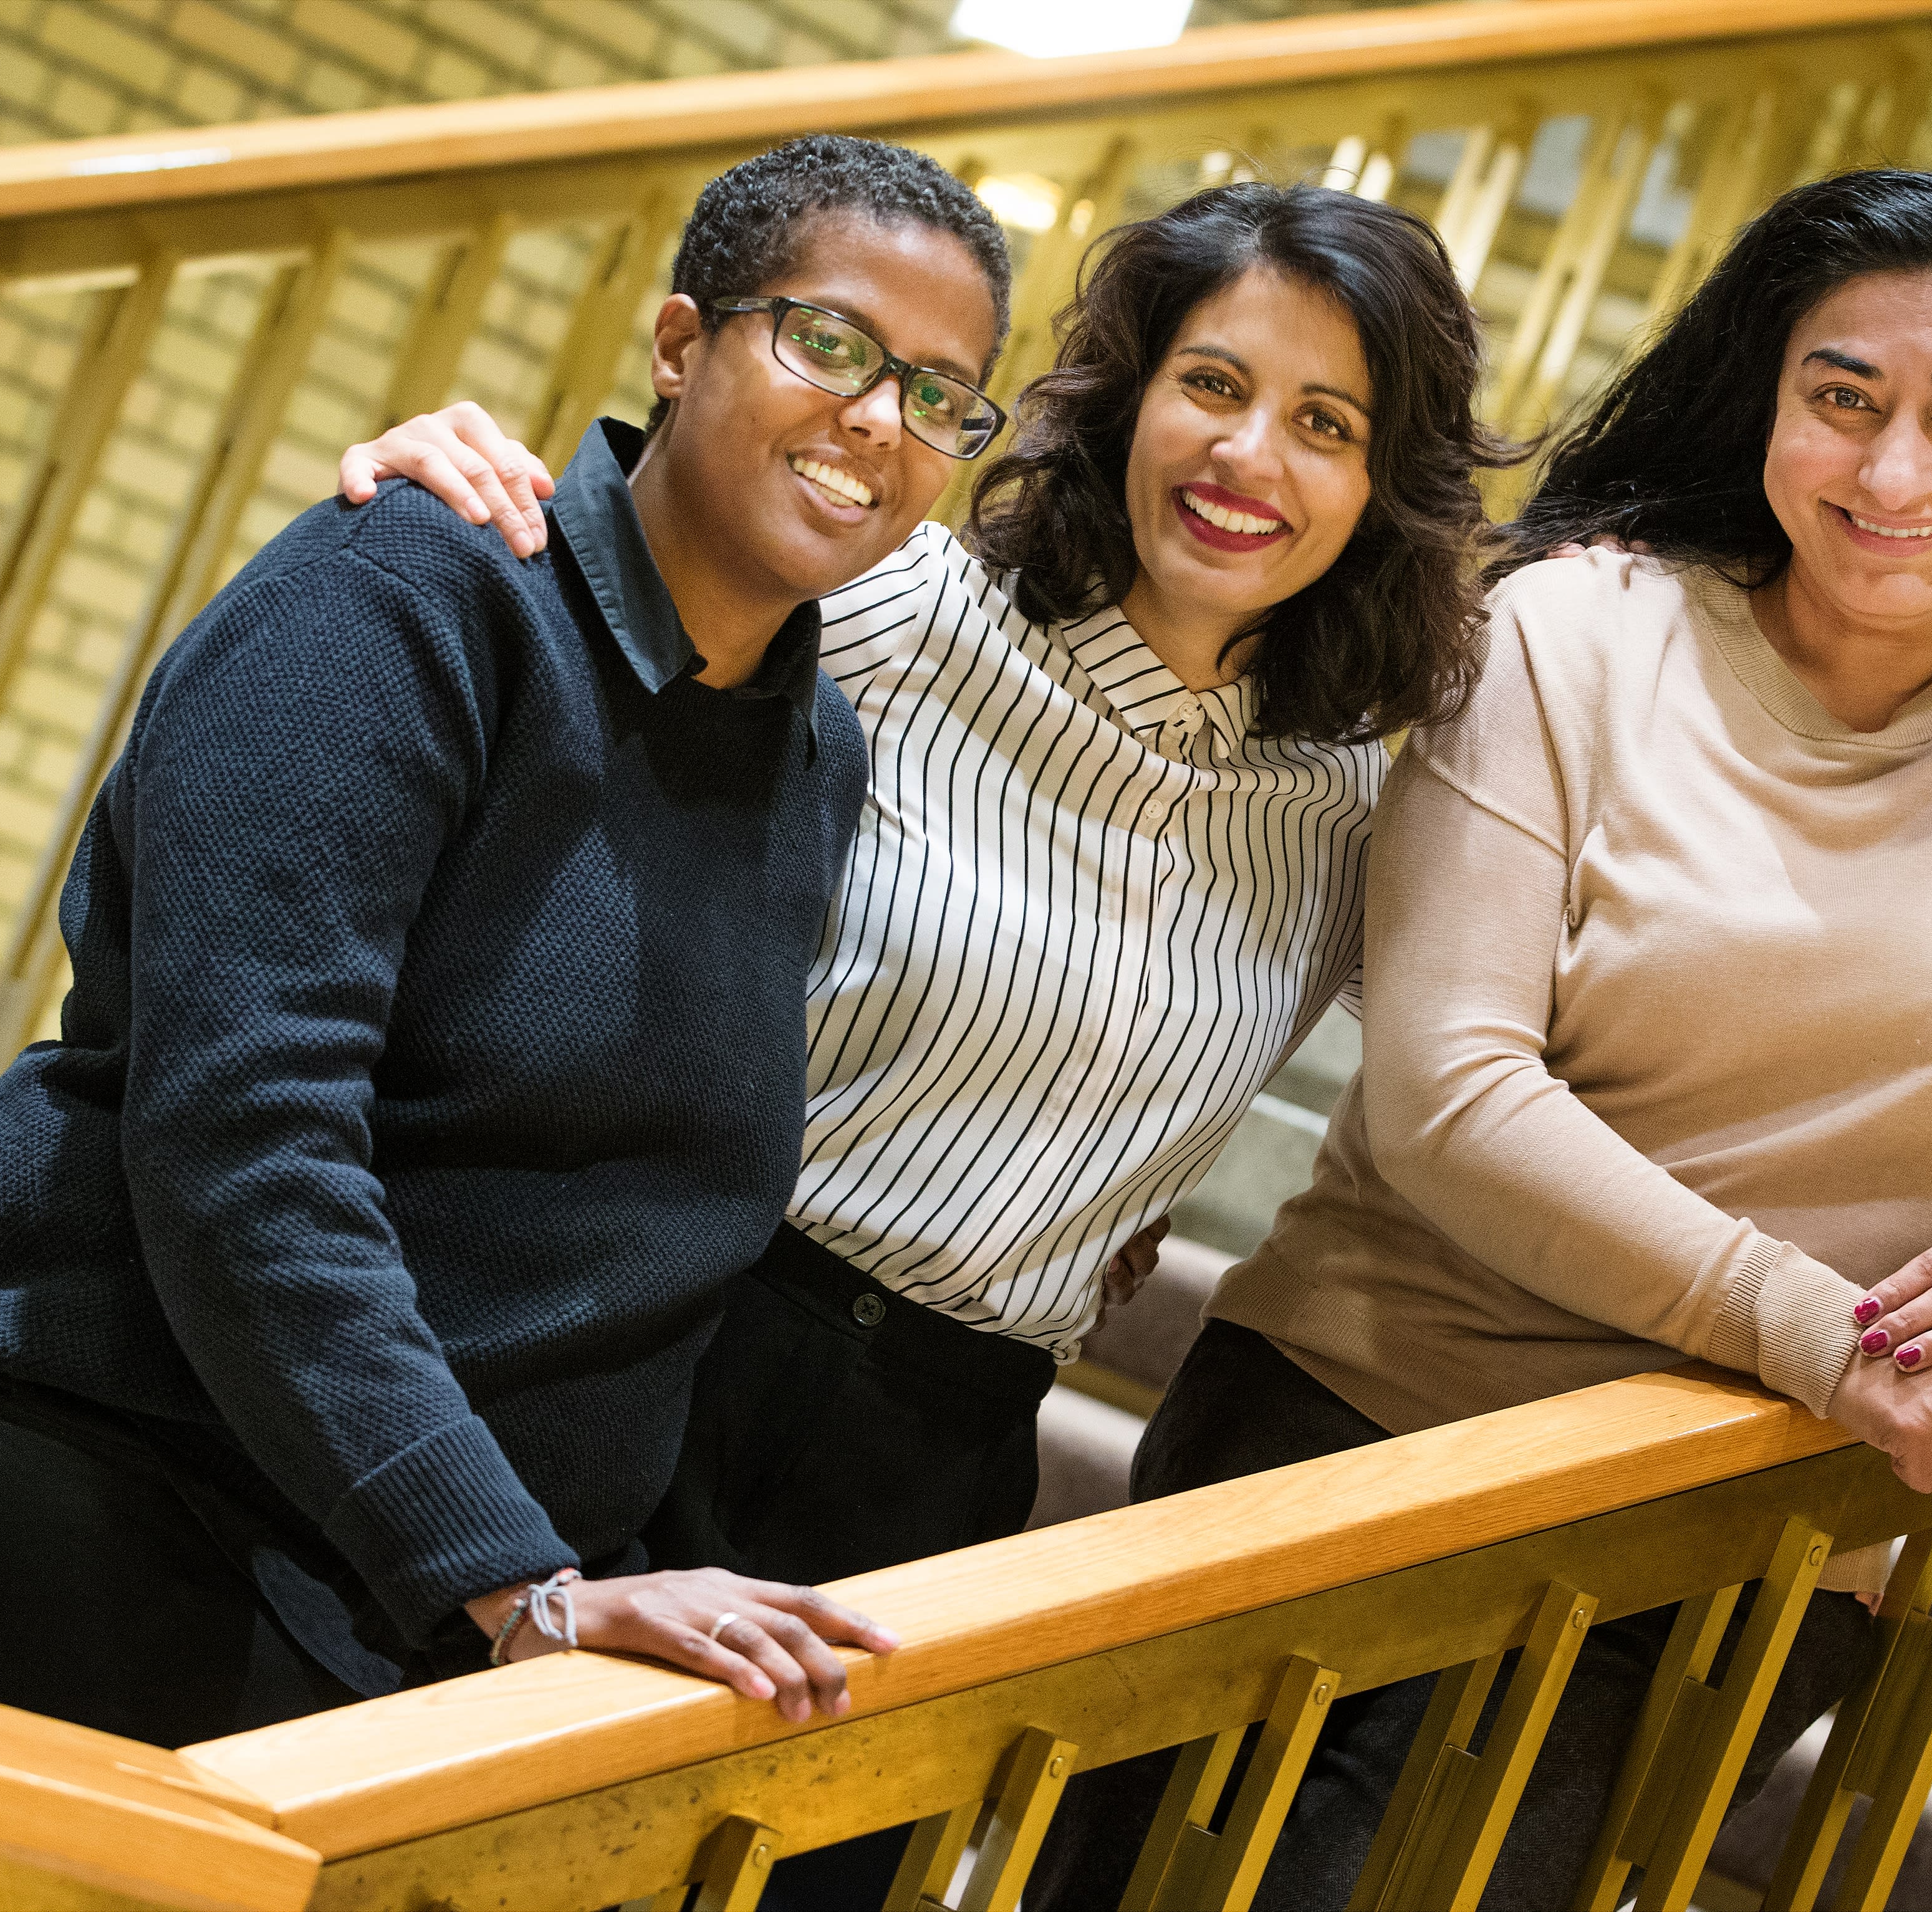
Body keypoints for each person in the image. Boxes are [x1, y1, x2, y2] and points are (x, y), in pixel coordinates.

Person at [1037, 166, 1932, 1909]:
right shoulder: (1573, 631)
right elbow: (1447, 1088)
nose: (1893, 472)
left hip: (1751, 1522)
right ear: (1767, 406)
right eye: (1842, 399)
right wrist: (1814, 1330)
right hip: (1363, 1430)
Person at [0, 135, 1012, 1748]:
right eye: (828, 343)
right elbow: (244, 1135)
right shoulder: (408, 586)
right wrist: (513, 1583)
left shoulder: (811, 755)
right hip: (89, 1482)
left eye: (939, 394)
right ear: (681, 345)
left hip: (395, 1614)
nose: (880, 419)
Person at [347, 180, 1512, 1903]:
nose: (1247, 455)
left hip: (941, 1464)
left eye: (1325, 424)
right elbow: (597, 617)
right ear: (1127, 394)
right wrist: (452, 482)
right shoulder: (897, 609)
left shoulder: (1354, 817)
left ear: (1380, 487)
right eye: (1211, 384)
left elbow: (1522, 1054)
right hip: (657, 1346)